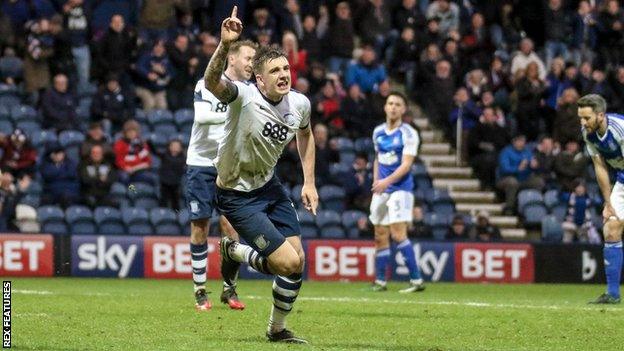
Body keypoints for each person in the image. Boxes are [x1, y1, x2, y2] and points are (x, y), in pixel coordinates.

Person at [204, 7, 317, 343]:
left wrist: (309, 181)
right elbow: (212, 81)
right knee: (285, 263)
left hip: (269, 187)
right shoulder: (243, 97)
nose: (283, 74)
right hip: (236, 194)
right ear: (259, 78)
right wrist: (225, 45)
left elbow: (306, 135)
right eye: (274, 70)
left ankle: (277, 330)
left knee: (298, 261)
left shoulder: (300, 104)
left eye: (286, 68)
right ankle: (234, 251)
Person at [186, 39, 257, 312]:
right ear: (232, 59)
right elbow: (202, 117)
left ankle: (230, 289)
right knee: (200, 226)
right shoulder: (206, 83)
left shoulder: (248, 91)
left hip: (229, 167)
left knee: (231, 227)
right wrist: (239, 115)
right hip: (201, 164)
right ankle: (200, 291)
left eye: (254, 59)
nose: (252, 63)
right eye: (248, 58)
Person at [369, 92, 425, 294]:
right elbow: (378, 158)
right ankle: (381, 281)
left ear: (403, 109)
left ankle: (416, 280)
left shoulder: (409, 133)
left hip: (400, 189)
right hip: (382, 190)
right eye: (390, 103)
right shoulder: (378, 132)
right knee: (379, 235)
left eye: (397, 104)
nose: (393, 107)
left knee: (398, 233)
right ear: (385, 107)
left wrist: (386, 182)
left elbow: (407, 165)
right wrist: (377, 181)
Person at [579, 94, 624, 304]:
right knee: (611, 228)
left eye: (586, 118)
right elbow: (600, 167)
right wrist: (608, 203)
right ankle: (613, 294)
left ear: (600, 115)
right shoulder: (588, 134)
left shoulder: (620, 129)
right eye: (580, 117)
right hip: (622, 180)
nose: (583, 122)